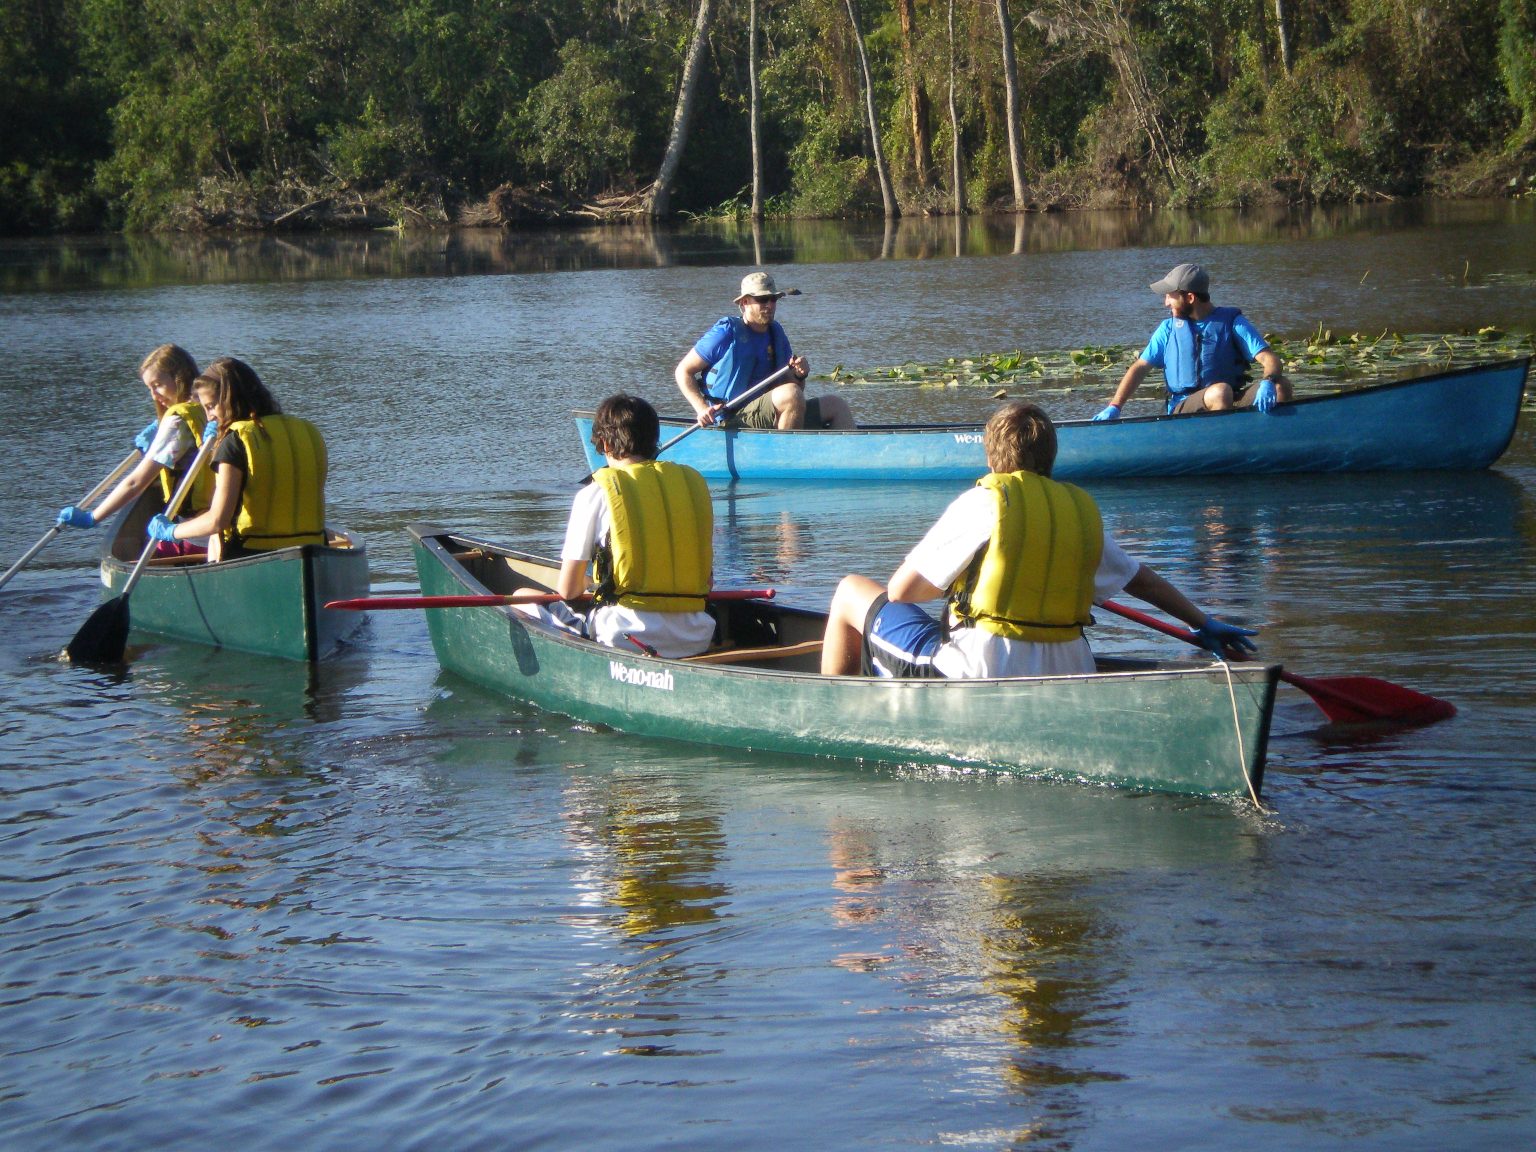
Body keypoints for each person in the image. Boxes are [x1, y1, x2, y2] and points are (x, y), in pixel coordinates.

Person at [821, 402, 1258, 678]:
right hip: (1072, 672)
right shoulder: (1076, 511)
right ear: (1051, 459)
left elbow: (900, 593)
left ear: (992, 459)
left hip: (980, 672)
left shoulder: (985, 500)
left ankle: (834, 714)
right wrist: (1203, 623)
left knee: (848, 592)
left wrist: (957, 584)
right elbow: (1141, 580)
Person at [557, 394, 717, 658]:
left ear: (605, 443)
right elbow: (707, 583)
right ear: (654, 440)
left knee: (525, 599)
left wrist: (591, 583)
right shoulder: (690, 487)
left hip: (623, 636)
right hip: (697, 636)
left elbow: (567, 590)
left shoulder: (595, 493)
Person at [146, 357, 328, 562]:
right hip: (313, 549)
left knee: (217, 537)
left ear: (231, 399)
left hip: (252, 553)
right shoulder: (307, 431)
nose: (210, 416)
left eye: (212, 406)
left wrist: (173, 531)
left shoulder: (235, 442)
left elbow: (218, 520)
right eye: (205, 408)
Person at [56, 344, 213, 552]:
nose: (154, 395)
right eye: (150, 388)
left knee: (149, 552)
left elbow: (136, 482)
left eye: (157, 385)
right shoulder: (213, 406)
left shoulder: (177, 423)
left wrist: (93, 517)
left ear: (179, 377)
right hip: (221, 522)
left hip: (200, 533)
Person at [1093, 263, 1294, 421]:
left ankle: (1274, 441)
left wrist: (1268, 382)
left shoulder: (1233, 322)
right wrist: (1115, 406)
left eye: (1170, 296)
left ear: (1189, 297)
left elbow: (1271, 360)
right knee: (1220, 392)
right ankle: (1219, 448)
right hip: (1184, 407)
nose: (1166, 303)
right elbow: (1139, 368)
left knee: (1280, 386)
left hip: (1228, 399)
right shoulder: (1168, 330)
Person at [674, 271, 855, 431]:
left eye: (773, 299)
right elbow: (683, 371)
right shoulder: (725, 332)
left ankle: (850, 463)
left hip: (769, 414)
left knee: (836, 405)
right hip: (731, 418)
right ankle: (784, 460)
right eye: (762, 300)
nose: (769, 305)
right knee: (790, 394)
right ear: (745, 302)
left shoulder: (777, 334)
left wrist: (800, 375)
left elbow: (794, 389)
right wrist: (701, 409)